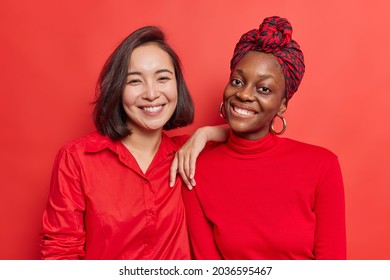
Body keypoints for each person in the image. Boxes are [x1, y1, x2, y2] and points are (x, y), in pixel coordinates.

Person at [40, 25, 228, 260]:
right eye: (135, 81)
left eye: (162, 78)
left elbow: (252, 136)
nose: (151, 93)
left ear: (177, 85)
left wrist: (205, 134)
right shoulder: (78, 158)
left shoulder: (189, 153)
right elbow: (61, 251)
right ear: (117, 90)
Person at [181, 16, 346, 260]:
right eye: (237, 81)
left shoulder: (322, 166)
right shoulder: (196, 172)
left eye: (264, 89)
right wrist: (204, 133)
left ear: (281, 106)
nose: (244, 94)